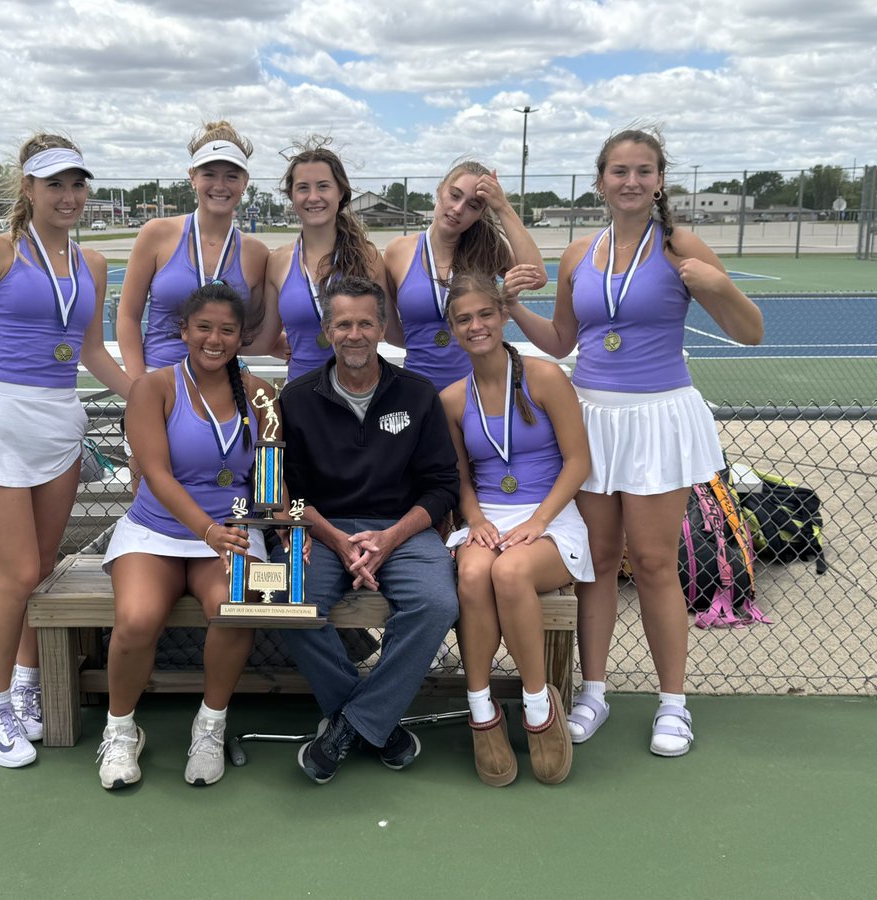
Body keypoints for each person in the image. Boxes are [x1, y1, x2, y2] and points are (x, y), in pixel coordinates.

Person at [517, 127, 764, 756]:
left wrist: (717, 287)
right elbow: (560, 343)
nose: (631, 181)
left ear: (659, 181)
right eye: (619, 171)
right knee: (597, 565)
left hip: (659, 419)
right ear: (600, 180)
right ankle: (593, 692)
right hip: (593, 419)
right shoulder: (578, 254)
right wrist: (511, 306)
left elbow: (750, 331)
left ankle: (673, 705)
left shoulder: (681, 243)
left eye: (644, 171)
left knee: (654, 564)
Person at [0, 134, 133, 768]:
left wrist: (152, 399)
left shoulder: (94, 264)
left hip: (59, 418)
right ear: (27, 188)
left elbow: (91, 352)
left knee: (45, 569)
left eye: (77, 184)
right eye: (54, 184)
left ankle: (26, 688)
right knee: (18, 574)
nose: (69, 196)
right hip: (0, 416)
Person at [276, 276, 460, 783]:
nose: (353, 334)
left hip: (402, 531)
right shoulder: (295, 399)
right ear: (326, 329)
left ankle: (349, 725)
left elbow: (443, 487)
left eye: (364, 323)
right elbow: (279, 495)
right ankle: (374, 722)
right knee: (288, 603)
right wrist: (333, 538)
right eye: (342, 324)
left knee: (438, 604)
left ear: (382, 327)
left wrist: (389, 539)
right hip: (321, 530)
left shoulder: (419, 395)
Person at [98, 283, 279, 789]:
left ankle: (210, 725)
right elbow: (157, 475)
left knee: (233, 609)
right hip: (158, 530)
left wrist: (291, 524)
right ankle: (120, 730)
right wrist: (206, 530)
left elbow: (267, 479)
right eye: (204, 327)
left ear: (241, 337)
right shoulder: (153, 387)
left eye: (227, 330)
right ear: (183, 331)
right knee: (136, 620)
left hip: (233, 532)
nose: (214, 339)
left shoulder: (261, 393)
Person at [440, 272, 593, 787]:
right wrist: (476, 519)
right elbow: (459, 478)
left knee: (508, 574)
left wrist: (539, 520)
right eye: (464, 319)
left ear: (502, 316)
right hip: (488, 518)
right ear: (453, 329)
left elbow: (578, 462)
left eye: (485, 314)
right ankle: (481, 710)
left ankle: (536, 706)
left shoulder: (545, 377)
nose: (476, 325)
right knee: (472, 575)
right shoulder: (453, 400)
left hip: (550, 517)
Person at [115, 120, 268, 380]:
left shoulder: (257, 254)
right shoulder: (156, 234)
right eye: (209, 174)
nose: (220, 185)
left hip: (224, 387)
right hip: (160, 380)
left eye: (231, 176)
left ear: (245, 182)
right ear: (192, 178)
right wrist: (140, 388)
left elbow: (252, 334)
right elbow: (128, 317)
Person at [382, 161, 549, 391]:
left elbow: (537, 276)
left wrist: (502, 207)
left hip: (478, 391)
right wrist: (425, 345)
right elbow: (391, 331)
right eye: (454, 195)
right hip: (417, 393)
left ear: (482, 213)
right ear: (440, 190)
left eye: (473, 205)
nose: (458, 209)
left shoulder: (487, 248)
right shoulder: (397, 251)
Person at [248, 141, 392, 380]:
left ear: (341, 192)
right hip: (302, 400)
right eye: (303, 188)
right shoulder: (278, 261)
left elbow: (386, 329)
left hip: (360, 395)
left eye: (323, 186)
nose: (313, 197)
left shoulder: (367, 256)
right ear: (292, 196)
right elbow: (265, 339)